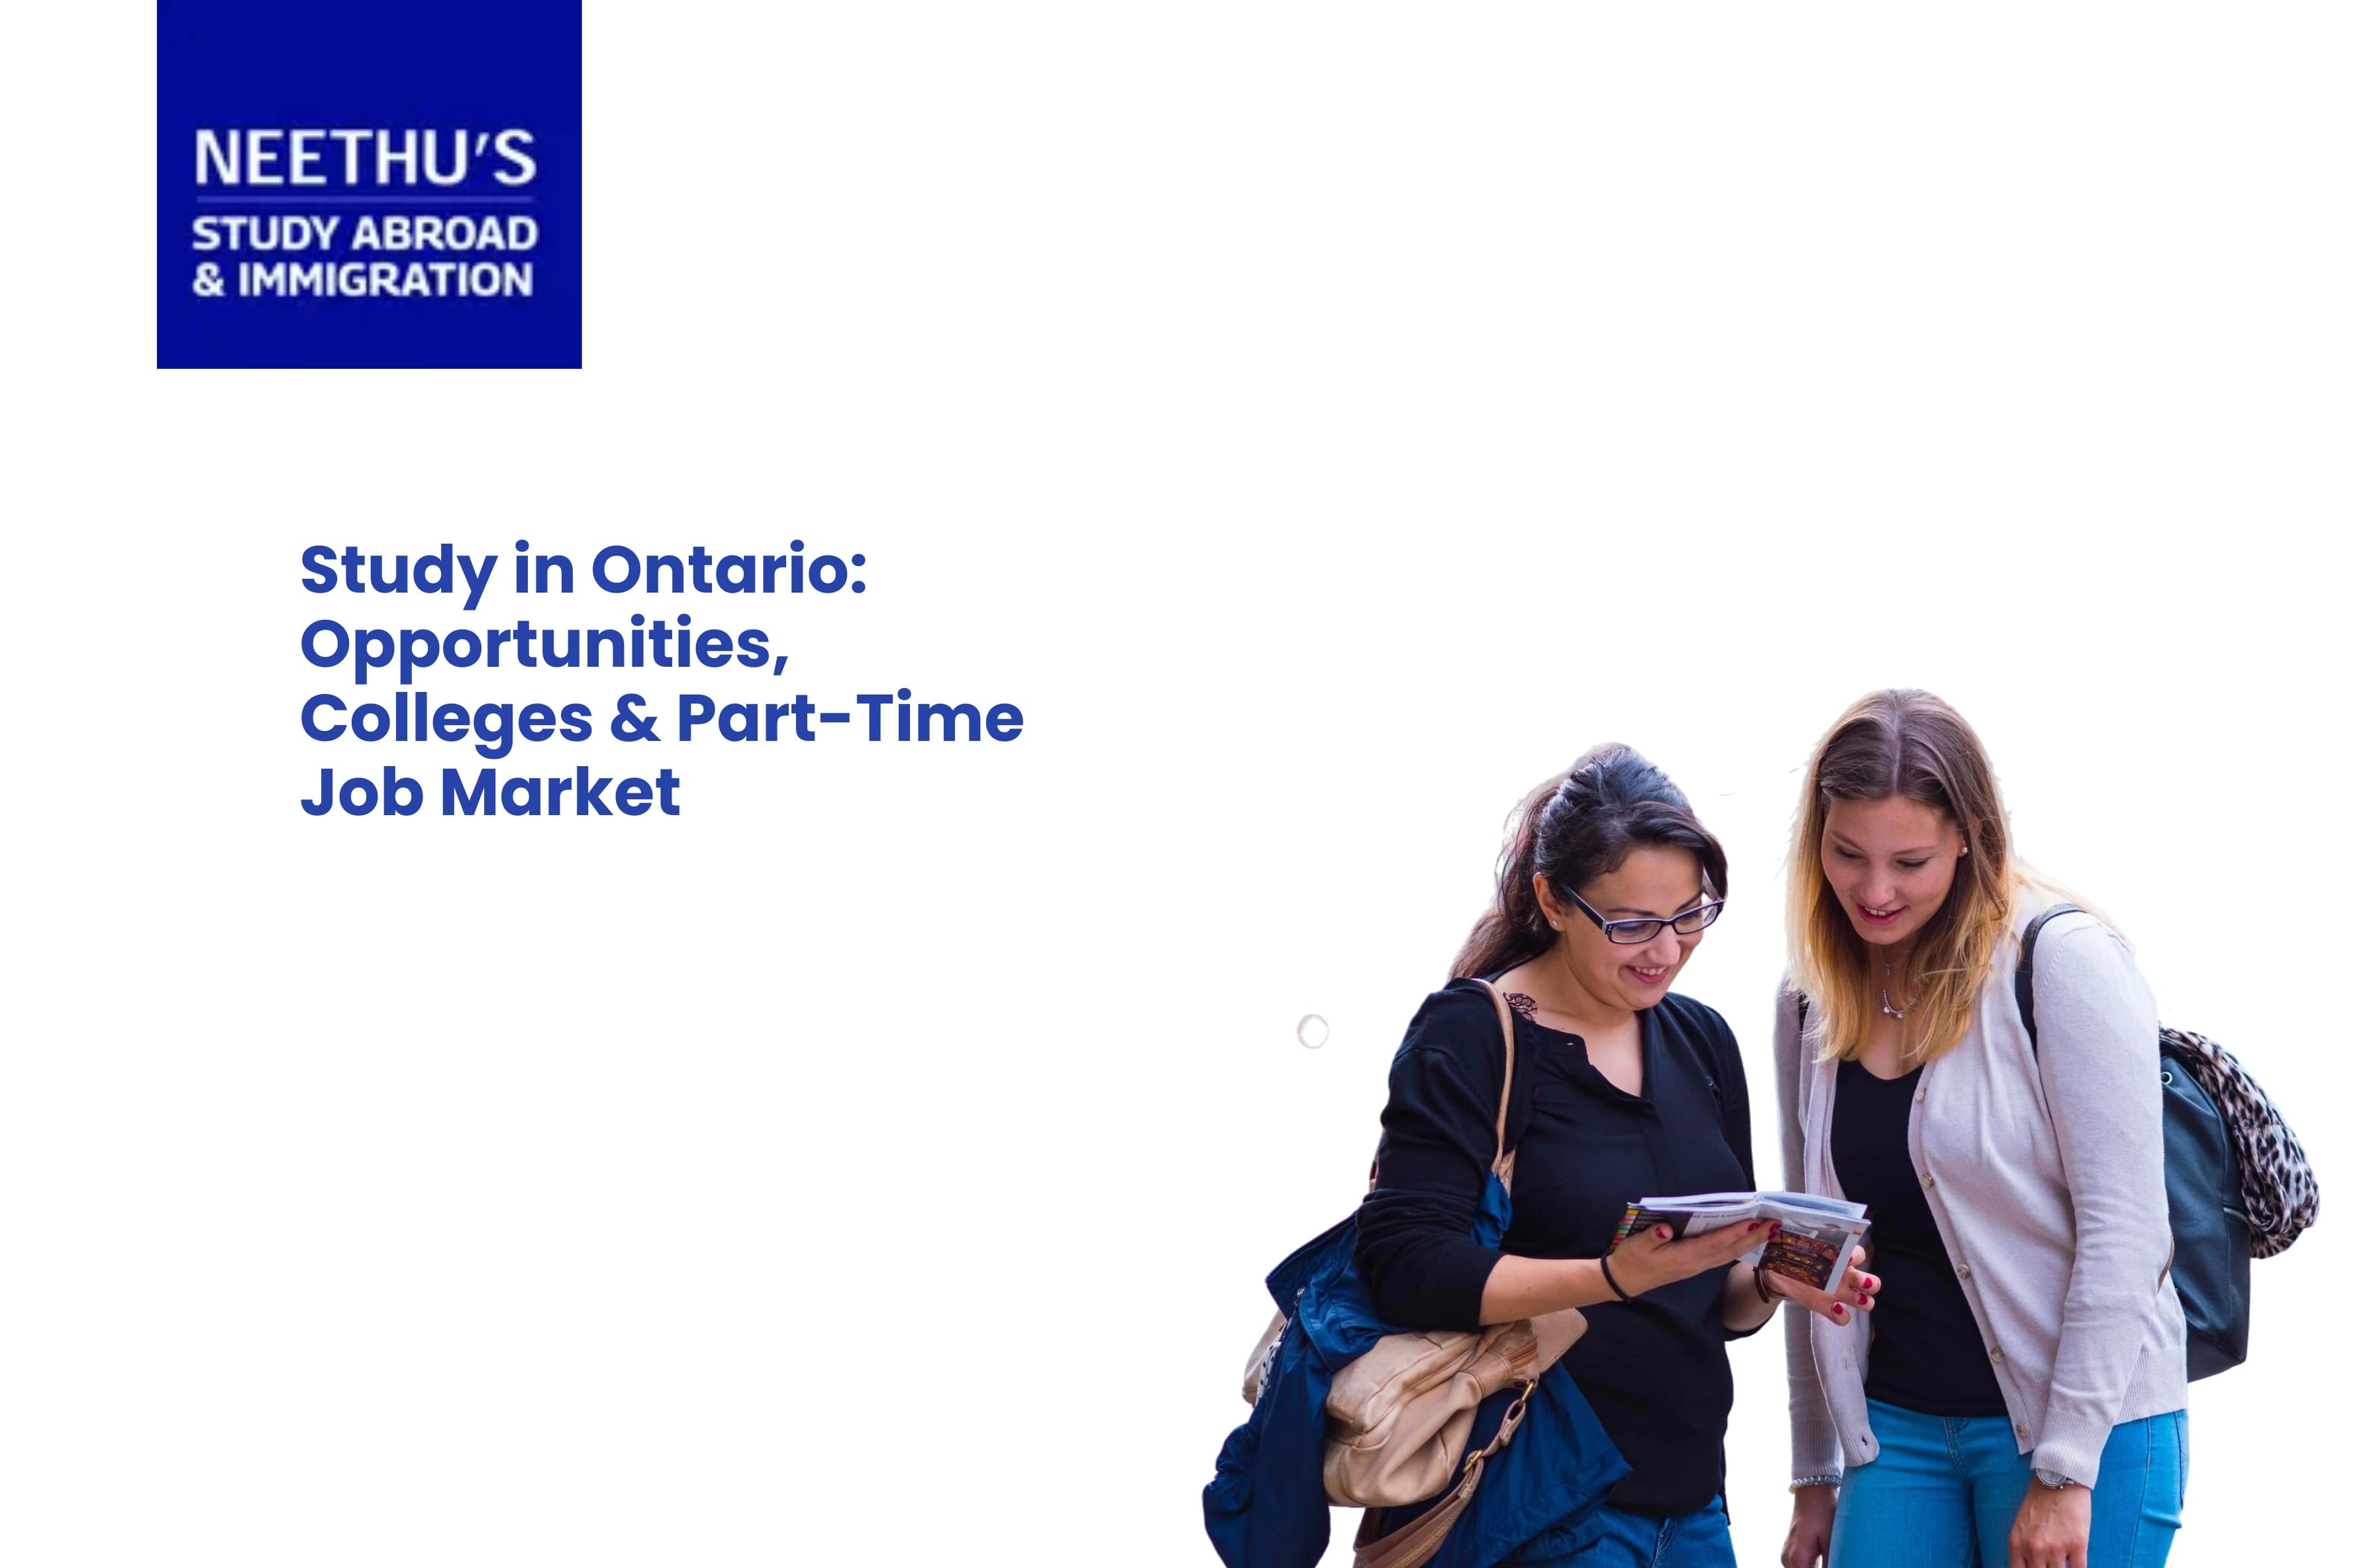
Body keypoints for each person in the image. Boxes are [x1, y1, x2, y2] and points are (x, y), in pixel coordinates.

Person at [1356, 745, 1874, 1568]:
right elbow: (1404, 1264)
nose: (1663, 950)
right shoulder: (1473, 1033)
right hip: (1538, 1499)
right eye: (1629, 924)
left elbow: (1714, 1302)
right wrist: (1611, 1275)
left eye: (1689, 915)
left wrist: (1774, 1274)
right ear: (1552, 902)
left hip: (1693, 1508)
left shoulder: (1699, 1038)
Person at [1774, 690, 2188, 1568]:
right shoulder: (1809, 996)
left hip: (2078, 1429)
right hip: (1894, 1436)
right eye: (1848, 855)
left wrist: (2068, 1471)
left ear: (1969, 836)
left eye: (1910, 862)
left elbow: (2129, 1230)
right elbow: (1806, 1242)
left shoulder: (2061, 962)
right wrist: (1815, 1472)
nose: (1875, 891)